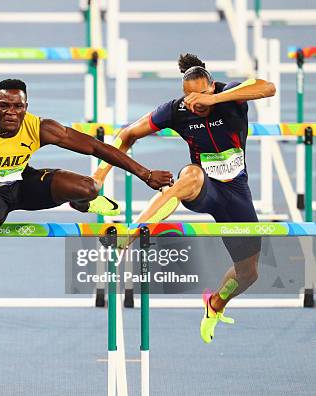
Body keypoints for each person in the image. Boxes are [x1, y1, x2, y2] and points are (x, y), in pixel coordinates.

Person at [0, 78, 174, 315]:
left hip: (24, 184)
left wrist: (144, 173)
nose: (11, 112)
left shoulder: (40, 127)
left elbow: (94, 147)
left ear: (26, 108)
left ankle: (80, 202)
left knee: (89, 187)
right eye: (4, 106)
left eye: (17, 106)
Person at [92, 54, 276, 343]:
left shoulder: (230, 94)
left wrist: (214, 101)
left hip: (237, 193)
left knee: (248, 273)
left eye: (199, 95)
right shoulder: (176, 111)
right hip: (204, 189)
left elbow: (268, 87)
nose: (193, 103)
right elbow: (127, 135)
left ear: (212, 86)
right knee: (190, 174)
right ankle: (131, 233)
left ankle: (215, 303)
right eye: (188, 97)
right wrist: (99, 176)